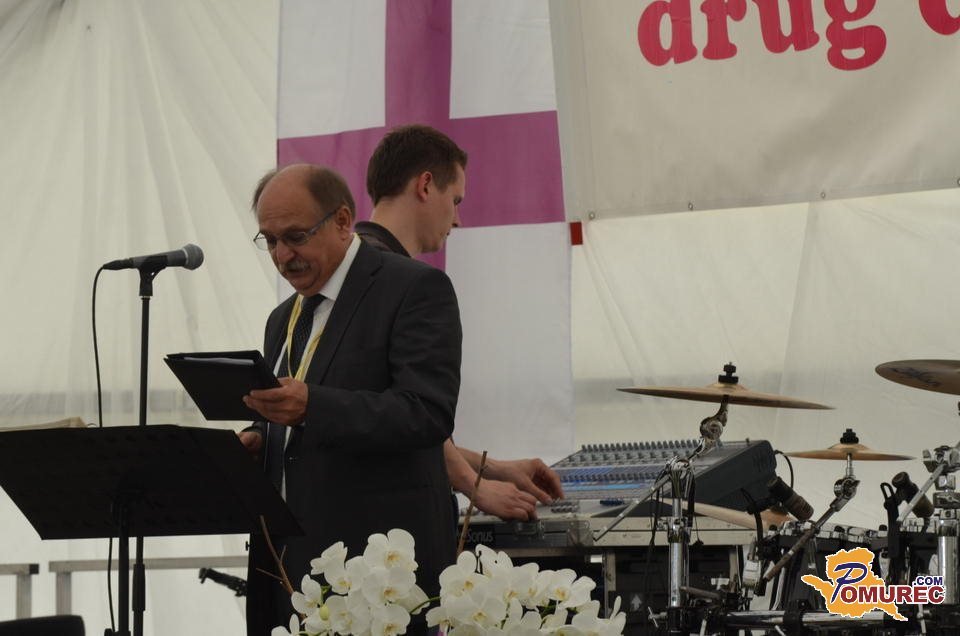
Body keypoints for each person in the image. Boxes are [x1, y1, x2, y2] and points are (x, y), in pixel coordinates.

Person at [237, 164, 461, 636]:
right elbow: (295, 422)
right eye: (269, 240)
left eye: (295, 236)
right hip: (287, 570)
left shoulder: (413, 289)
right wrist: (262, 437)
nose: (282, 255)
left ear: (342, 221)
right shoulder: (282, 318)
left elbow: (426, 412)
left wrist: (312, 407)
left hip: (375, 579)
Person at [357, 124, 565, 521]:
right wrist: (474, 485)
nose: (458, 219)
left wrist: (493, 468)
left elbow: (398, 424)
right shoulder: (405, 283)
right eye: (455, 200)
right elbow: (417, 416)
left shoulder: (351, 270)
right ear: (425, 185)